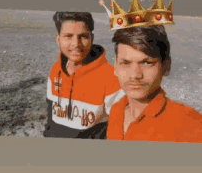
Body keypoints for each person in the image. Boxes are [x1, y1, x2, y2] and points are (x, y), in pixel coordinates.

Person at [107, 25, 202, 142]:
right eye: (125, 63)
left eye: (147, 63)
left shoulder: (188, 123)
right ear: (115, 67)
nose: (135, 75)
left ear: (166, 66)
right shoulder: (116, 110)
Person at [43, 11, 125, 139]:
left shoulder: (111, 77)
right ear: (58, 39)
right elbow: (50, 110)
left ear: (91, 38)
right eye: (68, 36)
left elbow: (119, 126)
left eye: (83, 36)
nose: (76, 44)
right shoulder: (55, 70)